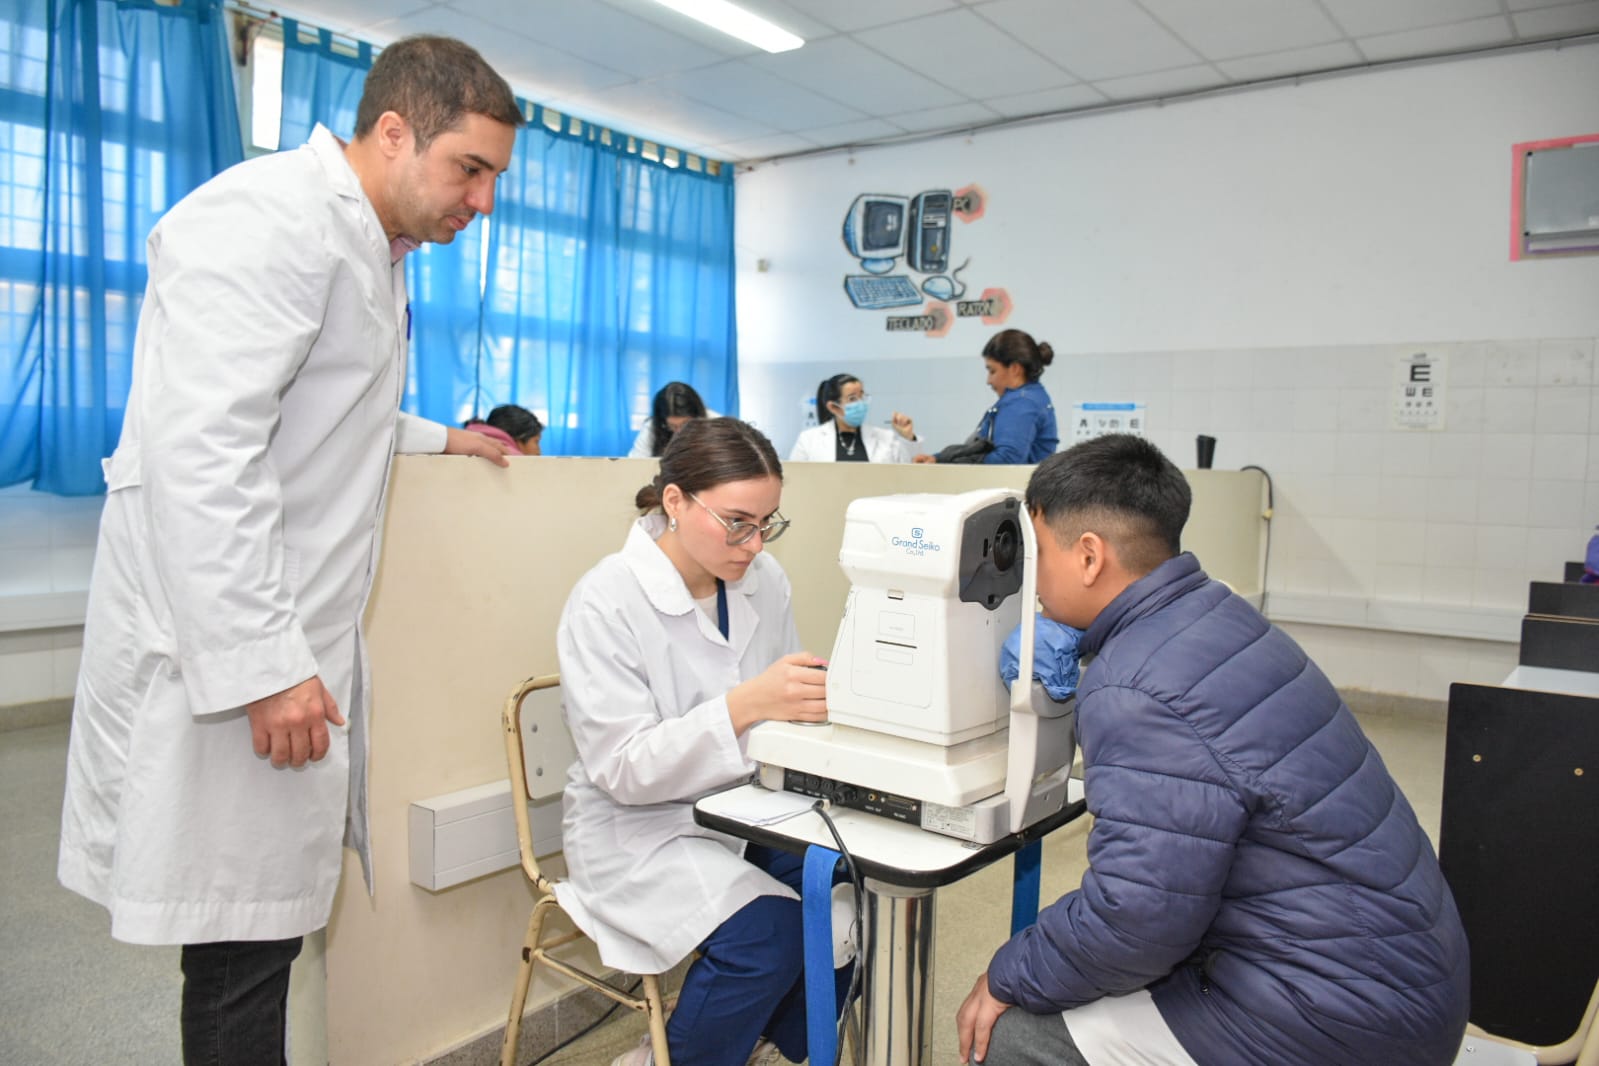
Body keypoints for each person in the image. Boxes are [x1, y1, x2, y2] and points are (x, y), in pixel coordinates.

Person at [56, 36, 523, 1066]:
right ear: (394, 132)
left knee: (259, 937)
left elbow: (323, 405)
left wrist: (440, 437)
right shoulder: (268, 220)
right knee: (241, 950)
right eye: (470, 169)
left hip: (279, 642)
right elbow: (201, 453)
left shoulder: (365, 244)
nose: (482, 201)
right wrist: (266, 665)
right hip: (234, 656)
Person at [957, 433, 1470, 1066]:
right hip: (1403, 974)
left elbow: (1136, 920)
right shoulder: (1218, 614)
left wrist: (1006, 974)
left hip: (1344, 1021)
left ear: (1089, 556)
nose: (1032, 582)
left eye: (1040, 556)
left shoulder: (1133, 686)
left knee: (1014, 1038)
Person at [557, 417, 850, 1066]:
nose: (754, 543)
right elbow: (622, 767)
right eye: (737, 522)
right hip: (636, 828)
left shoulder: (764, 579)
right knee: (768, 938)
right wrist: (744, 706)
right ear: (675, 501)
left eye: (767, 523)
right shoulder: (605, 600)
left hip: (743, 809)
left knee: (848, 893)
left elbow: (782, 711)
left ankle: (771, 1046)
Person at [915, 329, 1059, 465]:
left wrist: (949, 463)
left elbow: (1006, 460)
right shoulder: (1030, 397)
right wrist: (939, 459)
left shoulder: (1022, 403)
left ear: (1015, 369)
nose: (989, 381)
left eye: (992, 371)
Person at [789, 373, 920, 463]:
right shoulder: (809, 440)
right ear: (833, 407)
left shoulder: (886, 437)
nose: (861, 403)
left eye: (861, 396)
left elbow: (910, 472)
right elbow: (795, 479)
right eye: (852, 398)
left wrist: (907, 437)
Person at [628, 381, 713, 458]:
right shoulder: (652, 427)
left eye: (685, 424)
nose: (679, 432)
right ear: (662, 421)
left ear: (697, 416)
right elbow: (635, 462)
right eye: (672, 426)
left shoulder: (713, 423)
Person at [466, 403, 543, 455]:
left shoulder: (467, 442)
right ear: (520, 437)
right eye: (536, 441)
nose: (539, 451)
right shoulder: (512, 457)